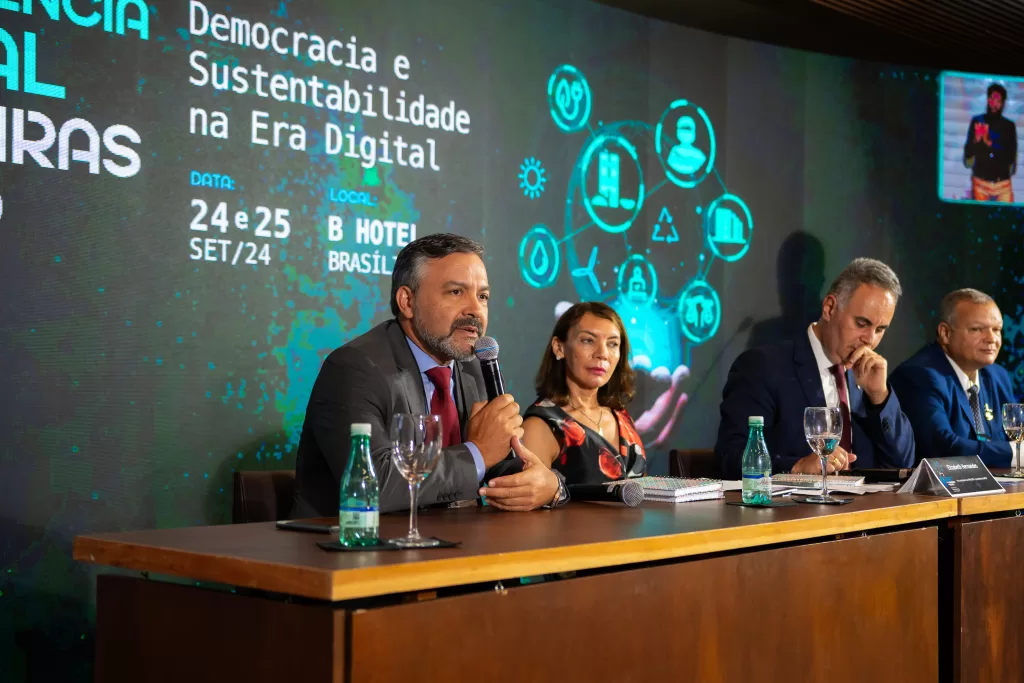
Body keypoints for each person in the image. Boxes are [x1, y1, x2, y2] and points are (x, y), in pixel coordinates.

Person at [291, 233, 565, 517]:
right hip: (351, 539)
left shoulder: (475, 367)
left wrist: (549, 484)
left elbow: (499, 464)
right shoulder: (355, 368)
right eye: (456, 292)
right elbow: (373, 484)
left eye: (482, 296)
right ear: (407, 302)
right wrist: (478, 452)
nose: (475, 310)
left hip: (452, 538)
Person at [715, 258, 915, 479]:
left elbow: (902, 463)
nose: (870, 339)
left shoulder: (867, 376)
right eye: (861, 324)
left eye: (880, 329)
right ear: (829, 308)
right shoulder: (763, 367)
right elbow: (730, 456)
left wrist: (879, 397)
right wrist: (797, 467)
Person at [521, 302, 647, 484]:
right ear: (559, 347)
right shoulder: (540, 426)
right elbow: (527, 498)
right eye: (588, 340)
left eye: (612, 344)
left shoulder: (623, 418)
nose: (602, 353)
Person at [890, 289, 1016, 467]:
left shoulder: (997, 376)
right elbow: (943, 448)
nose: (991, 339)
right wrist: (1015, 454)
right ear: (945, 333)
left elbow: (1016, 432)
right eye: (977, 329)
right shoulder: (919, 376)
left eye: (997, 330)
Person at [963, 82, 1017, 203]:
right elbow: (967, 155)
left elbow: (1010, 158)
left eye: (998, 101)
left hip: (1002, 184)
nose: (994, 104)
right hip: (980, 183)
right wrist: (976, 141)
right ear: (987, 100)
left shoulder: (1009, 126)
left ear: (1003, 104)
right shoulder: (977, 121)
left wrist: (990, 144)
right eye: (992, 99)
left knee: (1006, 214)